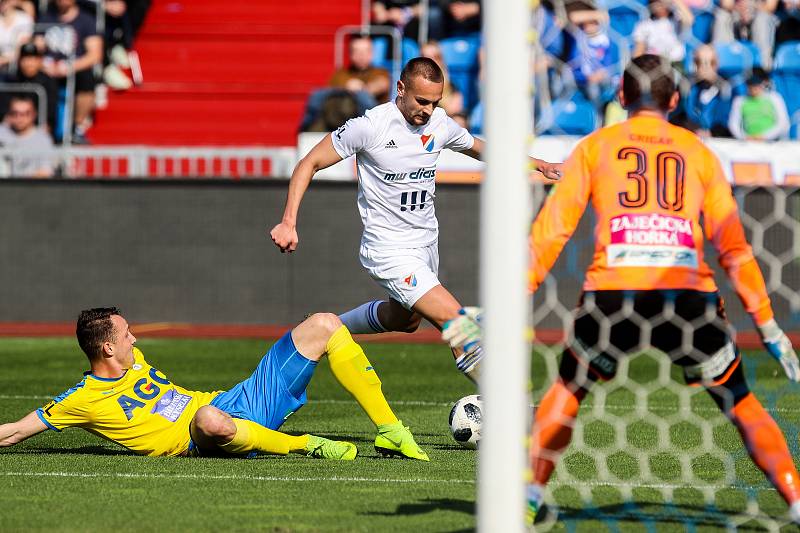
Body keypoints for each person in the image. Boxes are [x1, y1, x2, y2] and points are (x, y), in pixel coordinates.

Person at [444, 55, 800, 525]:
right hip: (686, 297)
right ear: (675, 100)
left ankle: (528, 495)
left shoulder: (596, 146)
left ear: (620, 97)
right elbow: (733, 248)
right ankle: (795, 503)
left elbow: (549, 235)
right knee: (740, 400)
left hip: (613, 295)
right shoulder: (698, 152)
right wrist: (769, 326)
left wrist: (506, 304)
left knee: (569, 390)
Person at [271, 57, 562, 384]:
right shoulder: (369, 127)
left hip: (425, 246)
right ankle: (510, 416)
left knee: (404, 320)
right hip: (389, 251)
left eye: (435, 102)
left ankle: (323, 326)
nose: (428, 109)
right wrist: (288, 221)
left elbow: (481, 149)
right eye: (421, 101)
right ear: (400, 89)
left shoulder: (439, 123)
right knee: (461, 327)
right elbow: (308, 163)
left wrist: (538, 164)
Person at [0, 307, 429, 461]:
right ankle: (309, 444)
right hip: (202, 434)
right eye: (127, 333)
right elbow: (18, 431)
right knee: (209, 419)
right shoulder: (81, 400)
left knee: (324, 324)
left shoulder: (134, 361)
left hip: (236, 400)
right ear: (108, 349)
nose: (135, 338)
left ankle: (390, 429)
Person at [37, 0, 103, 142]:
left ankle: (76, 127)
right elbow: (34, 48)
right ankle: (45, 125)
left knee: (88, 79)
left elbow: (95, 54)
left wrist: (69, 67)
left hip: (75, 68)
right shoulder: (46, 18)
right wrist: (44, 61)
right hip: (47, 70)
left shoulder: (86, 20)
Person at [3, 42, 59, 133]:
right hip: (12, 126)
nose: (29, 63)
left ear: (39, 61)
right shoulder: (11, 80)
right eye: (25, 59)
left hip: (36, 127)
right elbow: (4, 107)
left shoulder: (48, 82)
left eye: (32, 59)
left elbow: (50, 111)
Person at [728, 67, 790, 140]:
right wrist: (744, 137)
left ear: (763, 83)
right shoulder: (740, 101)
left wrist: (764, 137)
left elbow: (783, 123)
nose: (754, 88)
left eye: (756, 85)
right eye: (751, 85)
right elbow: (733, 124)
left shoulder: (775, 98)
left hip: (770, 143)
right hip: (748, 143)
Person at [0, 94, 54, 177]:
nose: (19, 118)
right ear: (9, 114)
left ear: (34, 115)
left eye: (25, 113)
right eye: (15, 113)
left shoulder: (43, 139)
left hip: (30, 187)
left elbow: (45, 172)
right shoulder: (2, 132)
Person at [632, 0, 693, 67]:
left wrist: (675, 1)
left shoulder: (676, 20)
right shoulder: (645, 24)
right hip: (654, 65)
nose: (658, 5)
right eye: (655, 2)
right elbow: (639, 50)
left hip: (674, 63)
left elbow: (689, 20)